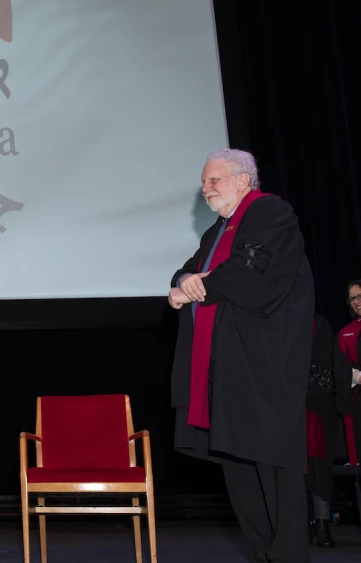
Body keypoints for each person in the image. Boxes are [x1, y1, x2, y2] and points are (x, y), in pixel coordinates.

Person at [168, 148, 315, 563]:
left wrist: (197, 286)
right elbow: (186, 271)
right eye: (203, 181)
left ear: (243, 181)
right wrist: (186, 280)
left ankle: (288, 557)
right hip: (226, 369)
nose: (205, 188)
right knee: (237, 466)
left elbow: (254, 266)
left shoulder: (271, 213)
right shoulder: (216, 231)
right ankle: (264, 554)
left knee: (273, 465)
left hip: (263, 368)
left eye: (213, 180)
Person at [304, 314, 352, 547]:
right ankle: (304, 526)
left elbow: (325, 363)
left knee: (319, 467)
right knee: (296, 470)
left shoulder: (318, 324)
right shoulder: (279, 318)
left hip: (317, 409)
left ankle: (321, 524)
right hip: (290, 410)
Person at [338, 279, 361, 464]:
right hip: (357, 399)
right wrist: (358, 376)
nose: (356, 302)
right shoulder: (345, 333)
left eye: (360, 296)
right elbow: (341, 369)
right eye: (352, 298)